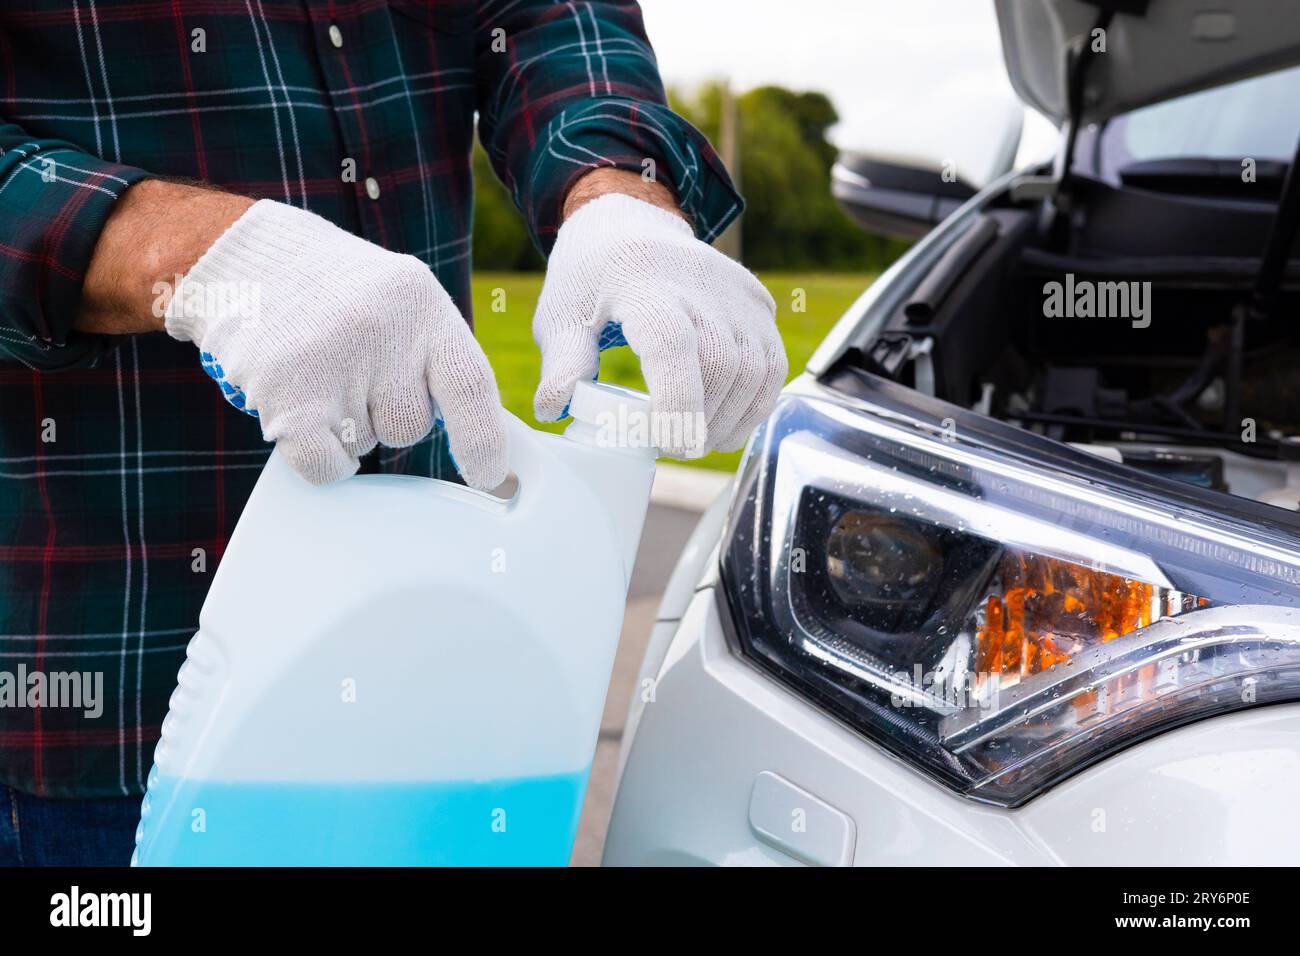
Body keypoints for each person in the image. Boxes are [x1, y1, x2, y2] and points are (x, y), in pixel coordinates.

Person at [0, 1, 784, 865]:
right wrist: (193, 256)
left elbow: (544, 15)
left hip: (443, 687)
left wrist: (616, 193)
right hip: (107, 698)